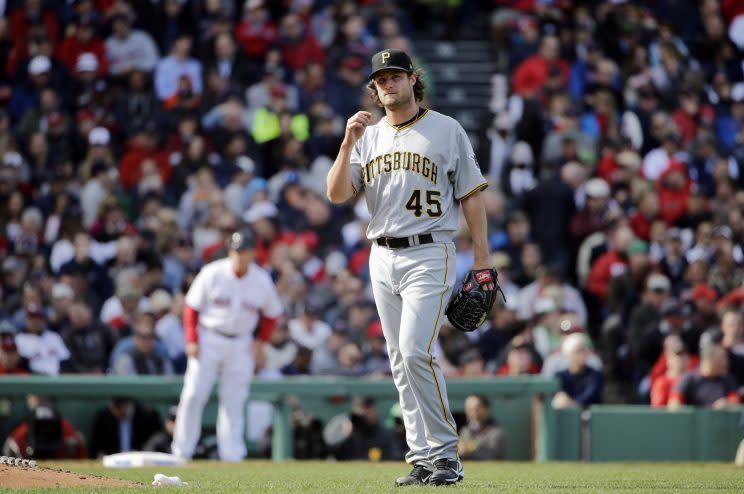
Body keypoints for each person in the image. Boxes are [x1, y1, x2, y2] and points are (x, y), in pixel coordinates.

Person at [326, 48, 495, 486]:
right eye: (381, 79)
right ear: (374, 88)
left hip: (429, 250)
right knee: (399, 359)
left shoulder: (446, 129)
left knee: (416, 350)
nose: (388, 85)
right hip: (381, 254)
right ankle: (421, 457)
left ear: (413, 79)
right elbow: (337, 194)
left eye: (396, 76)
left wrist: (481, 258)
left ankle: (445, 455)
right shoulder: (369, 136)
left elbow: (471, 195)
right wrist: (347, 144)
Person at [171, 230, 283, 462]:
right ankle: (181, 452)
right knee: (193, 394)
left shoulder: (260, 279)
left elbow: (272, 314)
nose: (239, 255)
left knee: (234, 399)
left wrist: (260, 342)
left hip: (240, 342)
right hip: (209, 338)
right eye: (236, 251)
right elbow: (191, 307)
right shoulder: (212, 273)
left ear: (252, 252)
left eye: (244, 251)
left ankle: (232, 455)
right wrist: (191, 339)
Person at [90, 397, 164, 457]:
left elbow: (156, 439)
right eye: (114, 407)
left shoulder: (149, 415)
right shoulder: (103, 417)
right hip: (113, 460)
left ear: (129, 404)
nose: (116, 411)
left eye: (119, 407)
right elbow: (97, 446)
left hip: (140, 459)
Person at [458, 395, 505, 460]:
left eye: (474, 409)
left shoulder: (495, 432)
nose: (469, 412)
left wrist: (468, 453)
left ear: (485, 409)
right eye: (467, 409)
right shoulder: (465, 430)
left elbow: (494, 455)